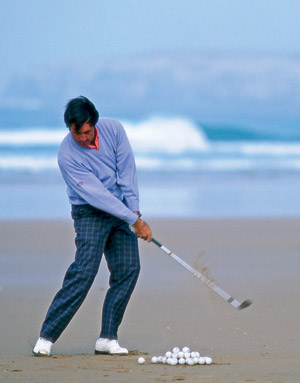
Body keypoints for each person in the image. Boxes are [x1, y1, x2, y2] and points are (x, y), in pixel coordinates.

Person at [33, 96, 152, 357]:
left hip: (120, 210)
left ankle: (108, 337)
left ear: (94, 124)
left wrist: (134, 210)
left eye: (87, 132)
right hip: (90, 212)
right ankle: (46, 336)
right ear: (69, 128)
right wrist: (135, 221)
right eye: (78, 133)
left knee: (129, 268)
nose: (83, 138)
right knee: (85, 271)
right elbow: (97, 195)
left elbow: (127, 172)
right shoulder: (67, 156)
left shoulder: (114, 130)